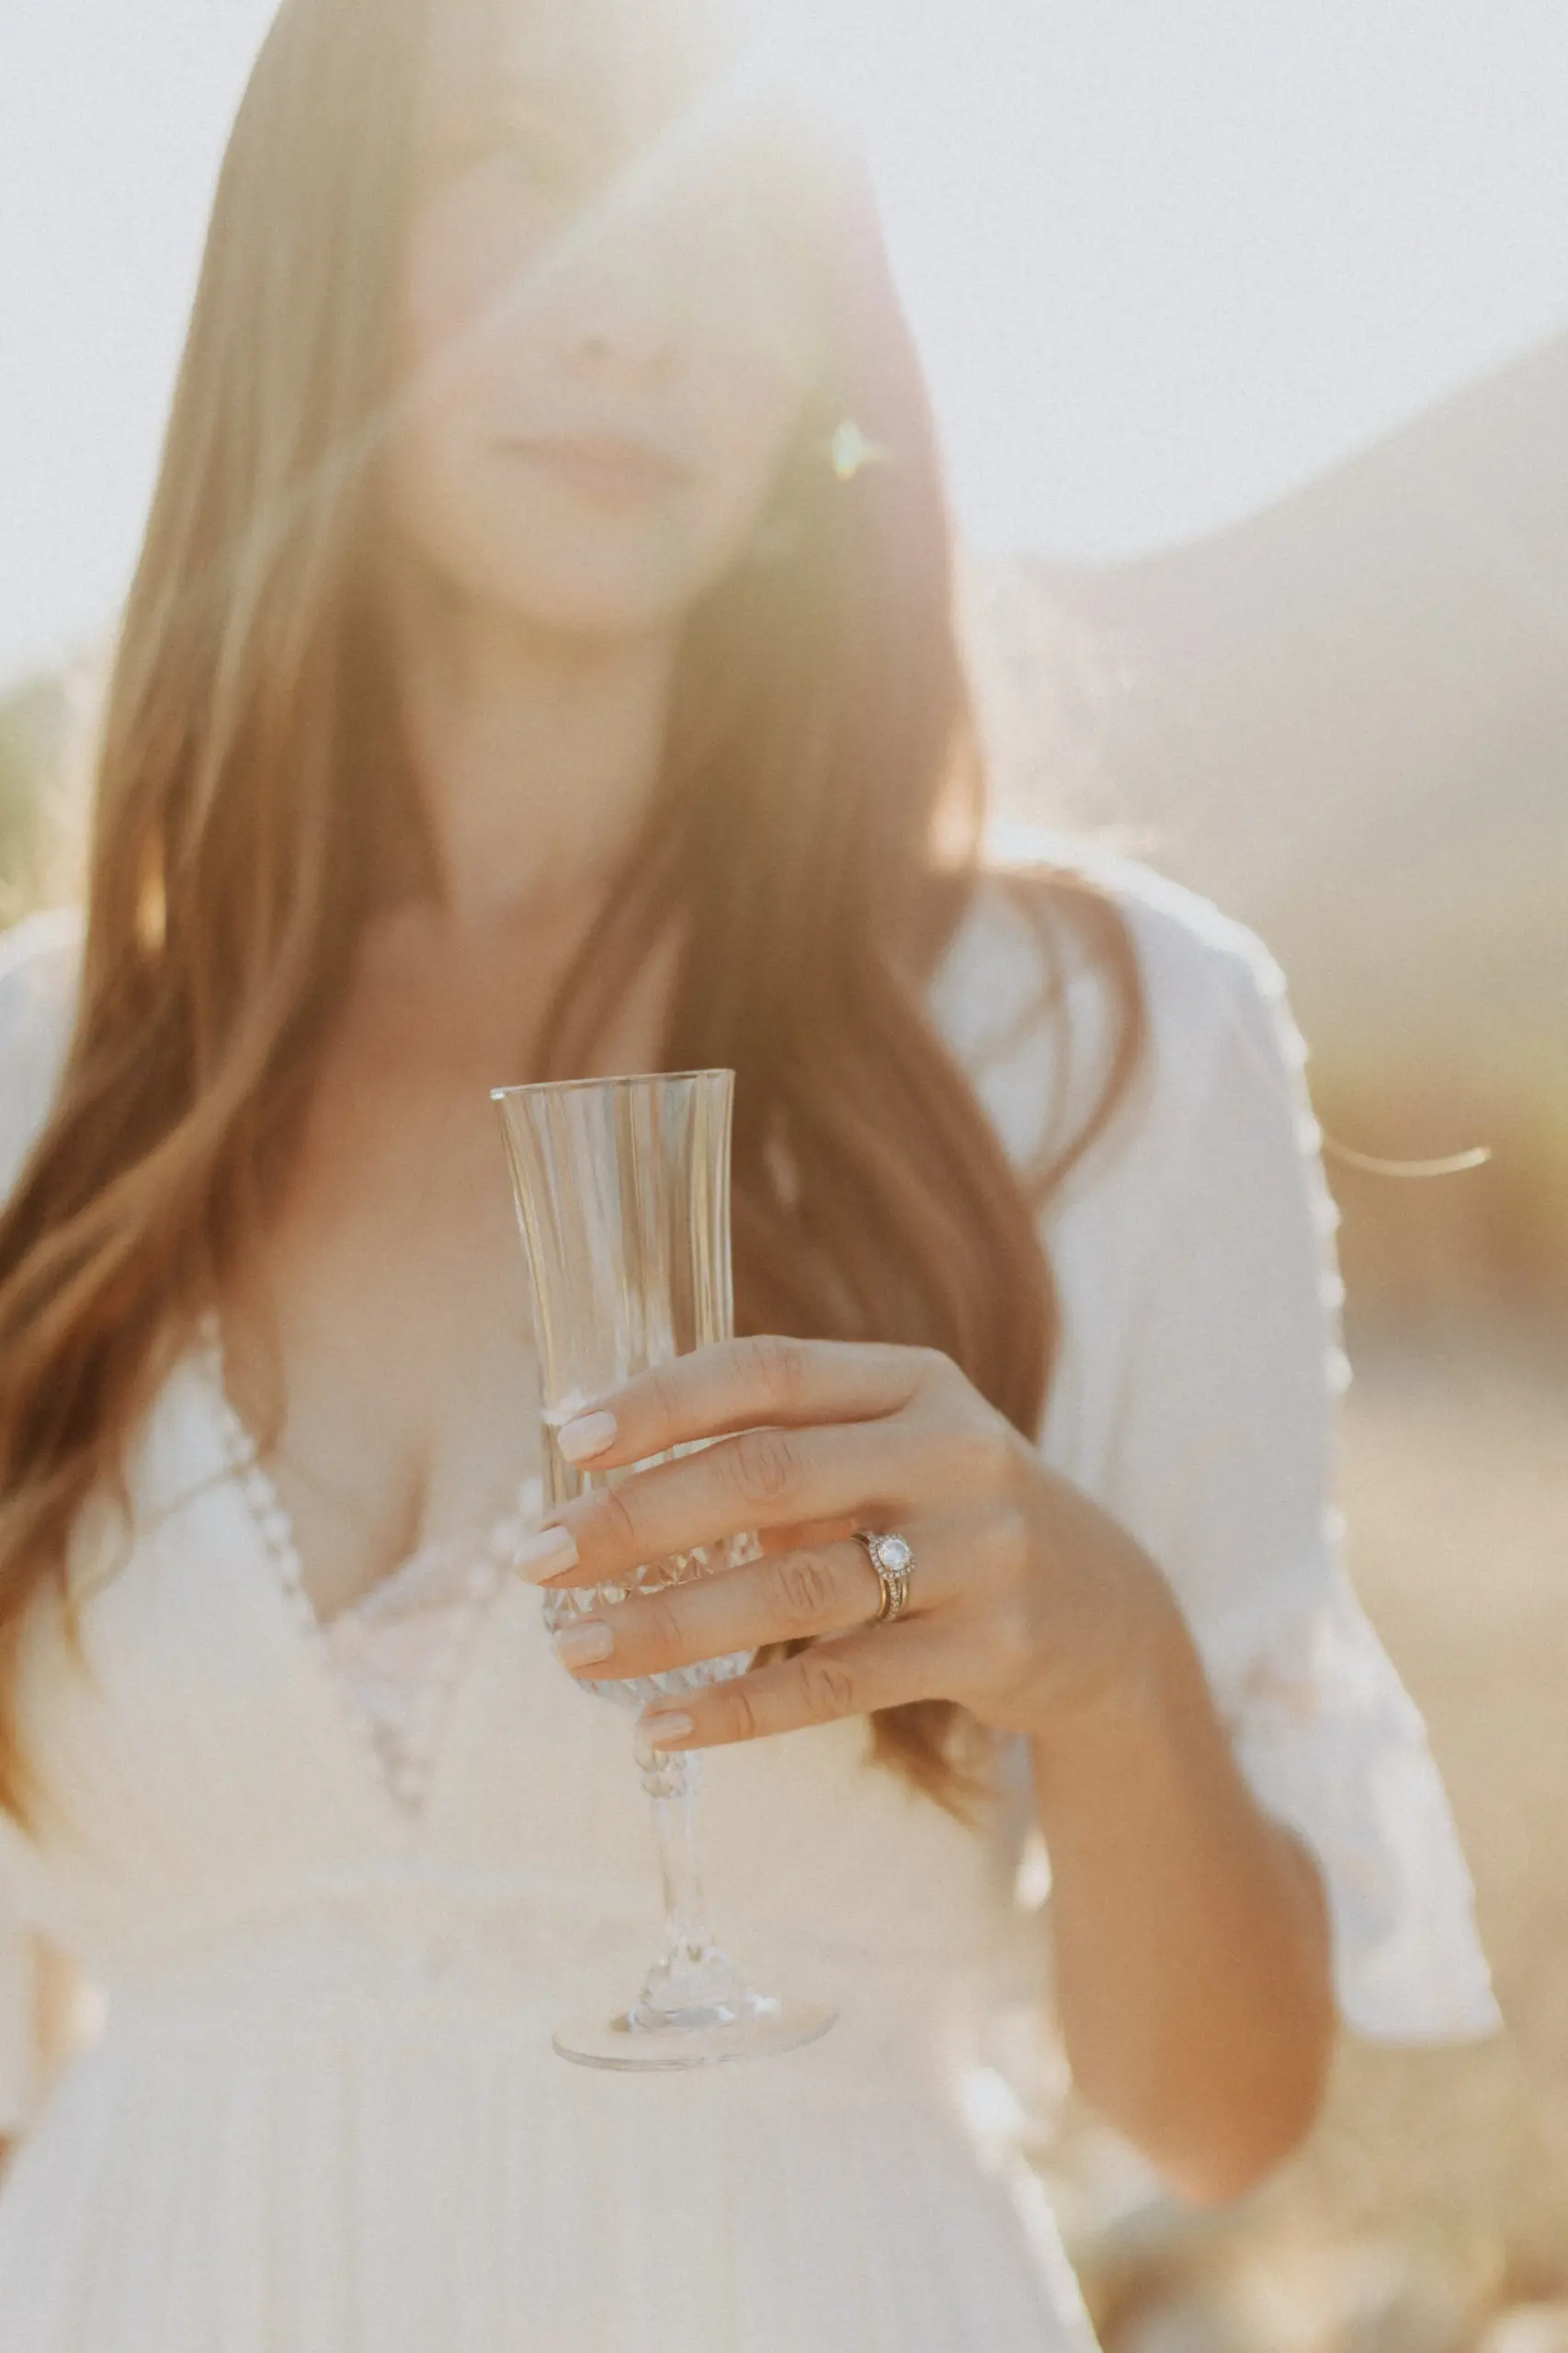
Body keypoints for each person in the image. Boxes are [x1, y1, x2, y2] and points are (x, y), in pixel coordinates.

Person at [0, 0, 1500, 2343]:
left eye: (734, 205)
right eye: (517, 151)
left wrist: (1100, 1656)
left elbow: (1221, 2118)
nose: (639, 303)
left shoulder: (1100, 1041)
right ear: (315, 240)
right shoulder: (38, 1073)